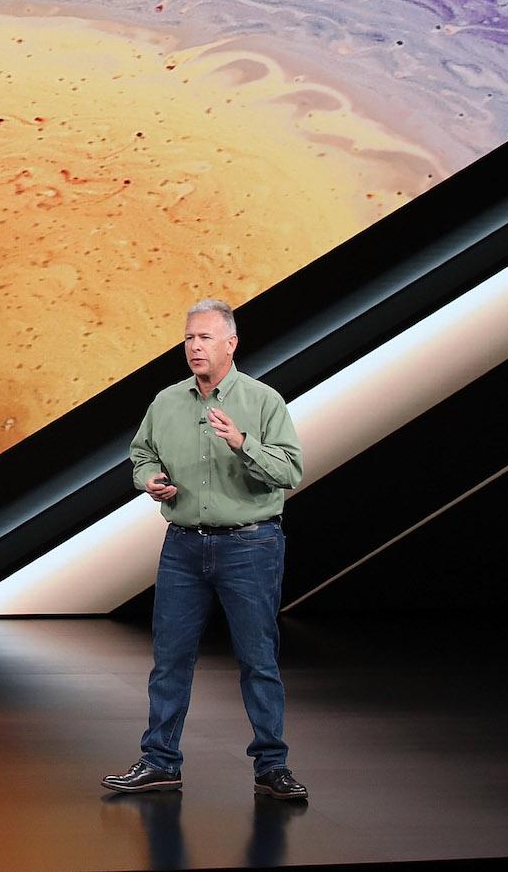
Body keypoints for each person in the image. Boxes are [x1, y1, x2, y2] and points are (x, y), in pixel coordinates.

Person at [102, 298, 308, 801]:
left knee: (258, 659)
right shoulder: (166, 402)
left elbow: (290, 473)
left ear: (231, 344)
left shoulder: (263, 402)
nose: (194, 346)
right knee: (170, 659)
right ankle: (159, 761)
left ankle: (271, 767)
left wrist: (243, 443)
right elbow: (141, 452)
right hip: (184, 548)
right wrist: (149, 479)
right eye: (189, 338)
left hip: (250, 546)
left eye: (205, 338)